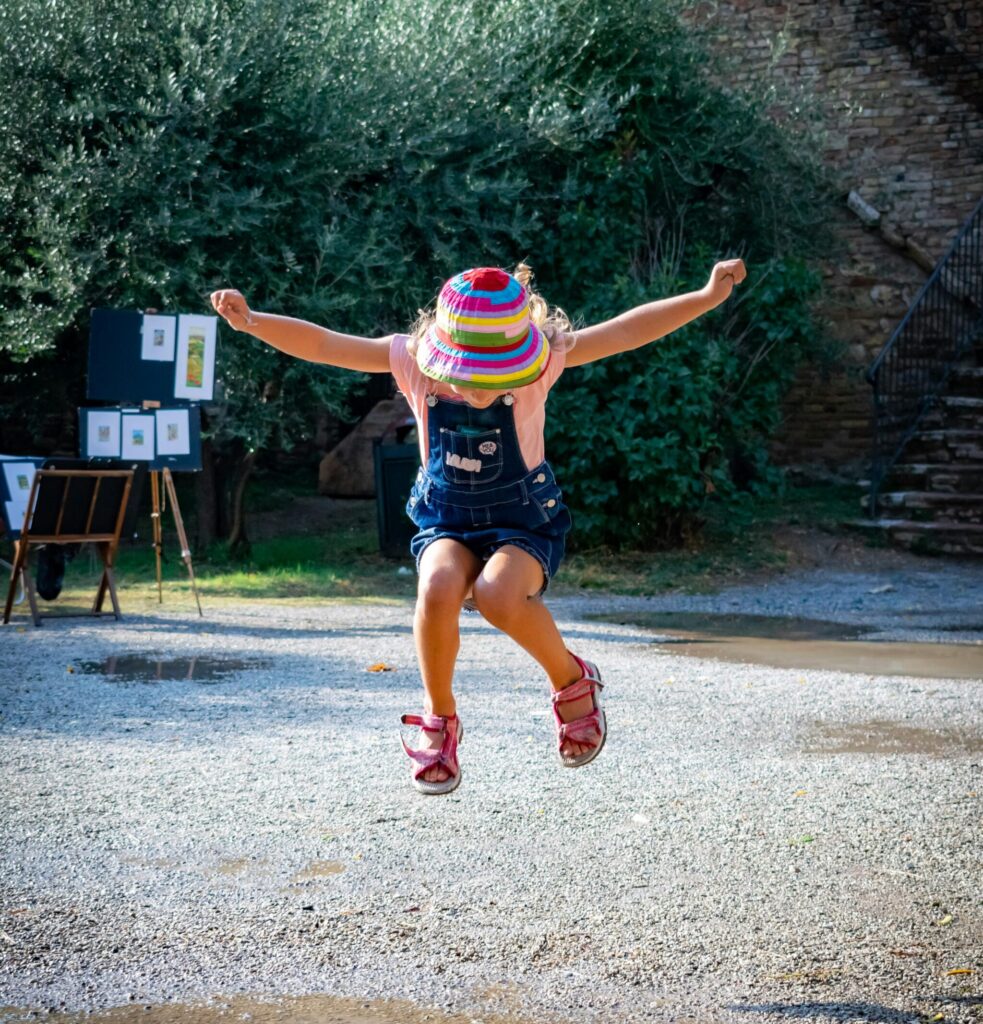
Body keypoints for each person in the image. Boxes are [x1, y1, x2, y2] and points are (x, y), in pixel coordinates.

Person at [211, 257, 746, 795]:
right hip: (446, 518)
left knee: (497, 596)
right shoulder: (410, 361)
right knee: (438, 587)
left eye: (496, 377)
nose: (478, 391)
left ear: (522, 360)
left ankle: (571, 680)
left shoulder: (547, 358)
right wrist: (254, 321)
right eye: (467, 376)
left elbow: (628, 331)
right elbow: (327, 345)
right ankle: (439, 718)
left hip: (523, 519)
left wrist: (704, 297)